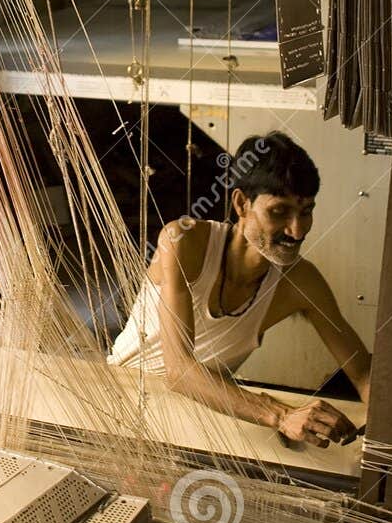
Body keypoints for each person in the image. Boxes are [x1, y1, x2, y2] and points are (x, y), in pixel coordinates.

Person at [108, 131, 370, 447]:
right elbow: (179, 371)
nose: (297, 230)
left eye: (306, 211)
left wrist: (386, 425)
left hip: (200, 420)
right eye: (279, 212)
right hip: (118, 405)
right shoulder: (184, 242)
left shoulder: (301, 282)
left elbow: (362, 371)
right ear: (241, 203)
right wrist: (281, 415)